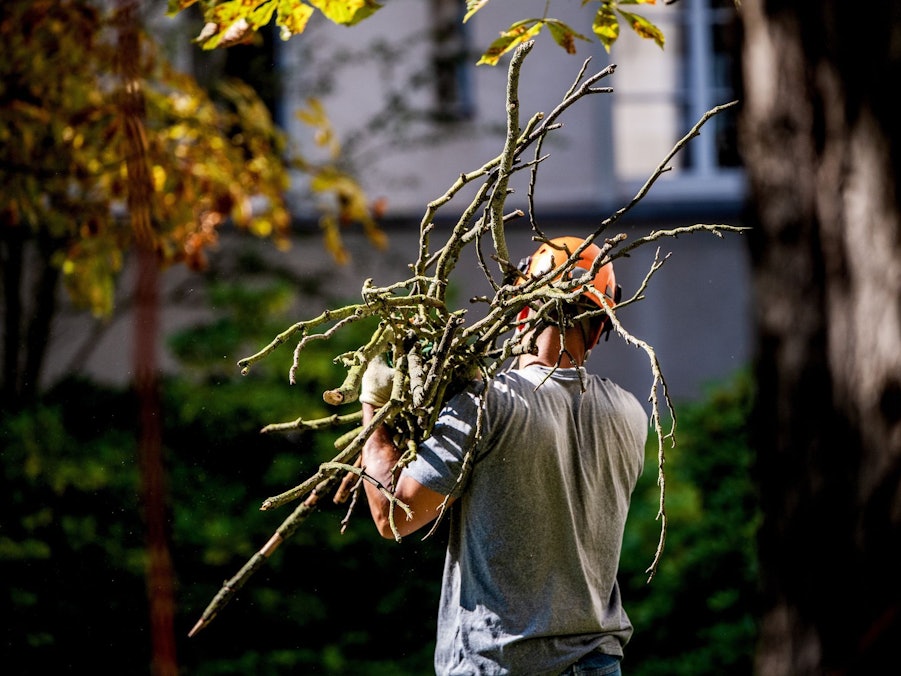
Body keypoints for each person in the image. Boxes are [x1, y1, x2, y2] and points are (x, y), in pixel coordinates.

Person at [359, 236, 649, 675]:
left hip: (499, 663)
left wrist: (375, 411)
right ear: (598, 328)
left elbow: (393, 516)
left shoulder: (488, 404)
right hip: (598, 664)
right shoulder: (631, 414)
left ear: (522, 310)